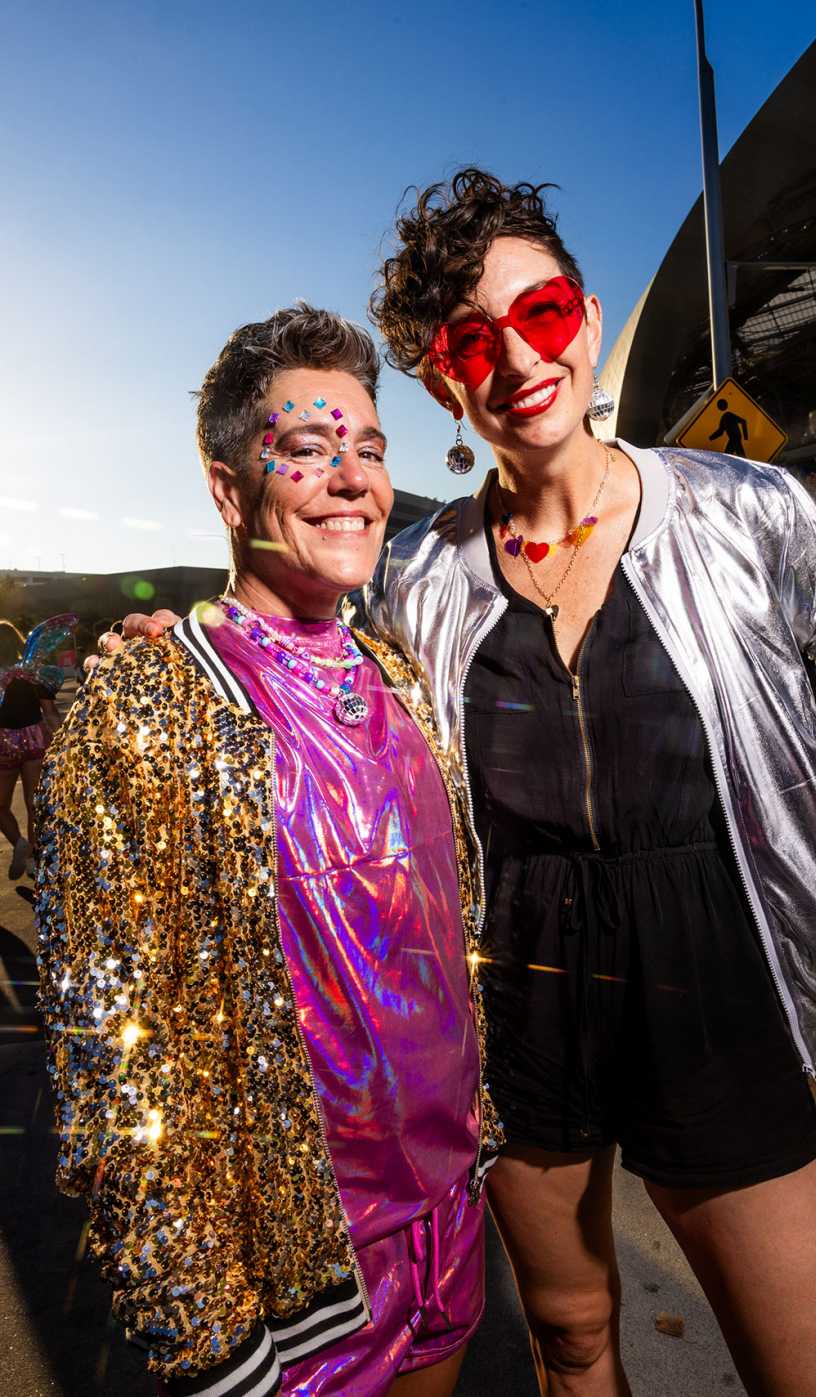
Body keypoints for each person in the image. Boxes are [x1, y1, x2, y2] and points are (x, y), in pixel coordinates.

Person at [111, 172, 816, 1397]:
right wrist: (179, 654)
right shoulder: (418, 575)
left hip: (708, 964)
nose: (516, 358)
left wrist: (796, 779)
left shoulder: (742, 510)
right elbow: (309, 674)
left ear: (585, 319)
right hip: (515, 989)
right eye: (468, 343)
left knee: (814, 1375)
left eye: (539, 313)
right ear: (444, 384)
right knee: (570, 1333)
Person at [36, 305, 502, 1397]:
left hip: (449, 1217)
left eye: (369, 449)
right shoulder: (146, 705)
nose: (353, 479)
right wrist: (210, 1330)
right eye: (306, 448)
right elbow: (113, 1057)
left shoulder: (400, 678)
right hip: (298, 1288)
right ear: (226, 487)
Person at [0, 619, 63, 879]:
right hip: (35, 740)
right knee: (34, 803)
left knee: (0, 805)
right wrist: (64, 741)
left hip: (2, 743)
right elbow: (50, 713)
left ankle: (19, 843)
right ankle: (34, 860)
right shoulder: (35, 674)